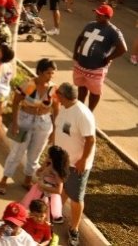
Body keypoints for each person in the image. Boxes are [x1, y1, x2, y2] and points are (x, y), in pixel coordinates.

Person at [0, 58, 59, 195]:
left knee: (35, 154)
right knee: (16, 153)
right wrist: (15, 123)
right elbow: (15, 102)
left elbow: (56, 109)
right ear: (40, 72)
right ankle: (4, 179)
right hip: (24, 120)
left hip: (43, 124)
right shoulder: (28, 84)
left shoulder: (54, 89)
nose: (51, 76)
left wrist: (54, 131)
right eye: (48, 73)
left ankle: (27, 180)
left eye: (53, 73)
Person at [51, 82, 96, 246]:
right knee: (64, 187)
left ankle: (74, 229)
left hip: (77, 164)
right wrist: (53, 152)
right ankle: (56, 213)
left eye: (58, 95)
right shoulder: (64, 107)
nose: (57, 97)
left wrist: (83, 160)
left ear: (64, 96)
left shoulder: (82, 114)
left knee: (76, 197)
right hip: (63, 160)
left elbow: (91, 140)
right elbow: (58, 128)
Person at [71, 3, 127, 111]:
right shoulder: (90, 25)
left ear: (107, 17)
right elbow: (80, 38)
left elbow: (123, 49)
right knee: (81, 87)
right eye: (97, 13)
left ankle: (90, 112)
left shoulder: (113, 31)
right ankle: (80, 109)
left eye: (100, 14)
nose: (97, 15)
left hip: (96, 68)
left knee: (95, 91)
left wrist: (108, 58)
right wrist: (75, 52)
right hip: (81, 64)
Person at [21, 145, 70, 227]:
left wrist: (43, 186)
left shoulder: (57, 172)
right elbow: (38, 173)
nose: (47, 157)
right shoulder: (48, 164)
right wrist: (42, 168)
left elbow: (59, 191)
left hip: (47, 195)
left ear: (54, 158)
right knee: (34, 210)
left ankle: (43, 230)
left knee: (43, 214)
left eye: (49, 156)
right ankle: (31, 226)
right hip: (37, 191)